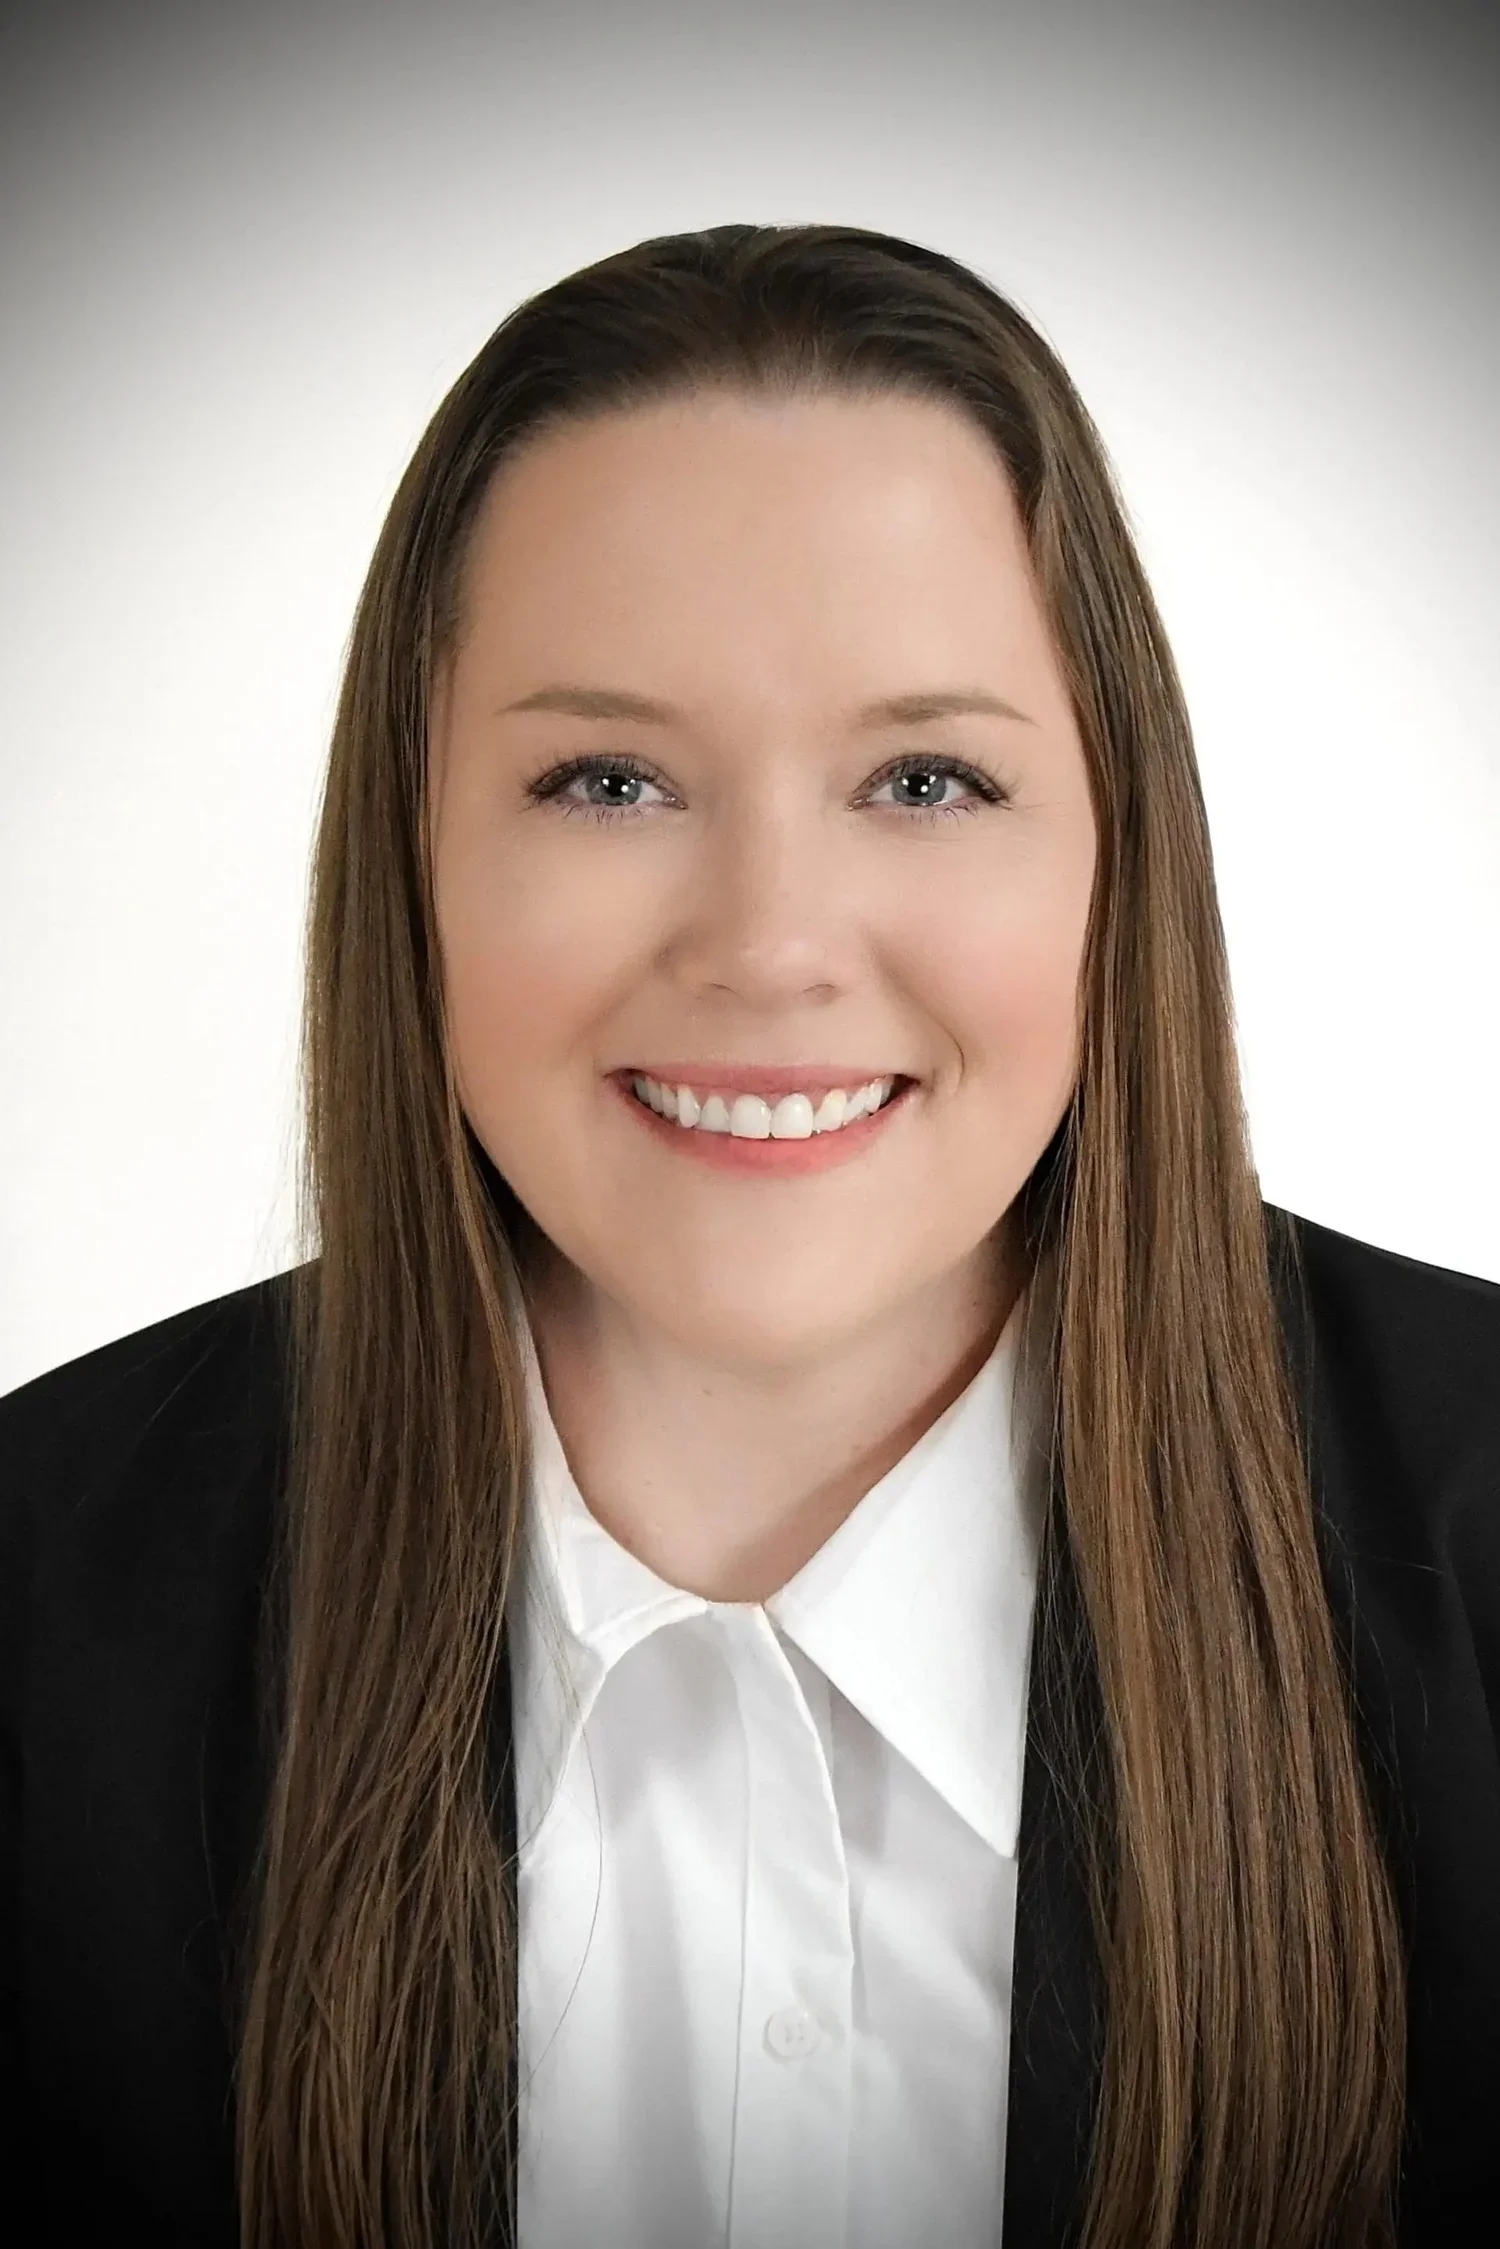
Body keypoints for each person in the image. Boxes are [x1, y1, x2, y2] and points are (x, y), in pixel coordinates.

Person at [1, 223, 1496, 2249]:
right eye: (608, 777)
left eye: (925, 775)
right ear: (414, 852)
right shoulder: (39, 1606)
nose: (771, 944)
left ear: (1115, 857)